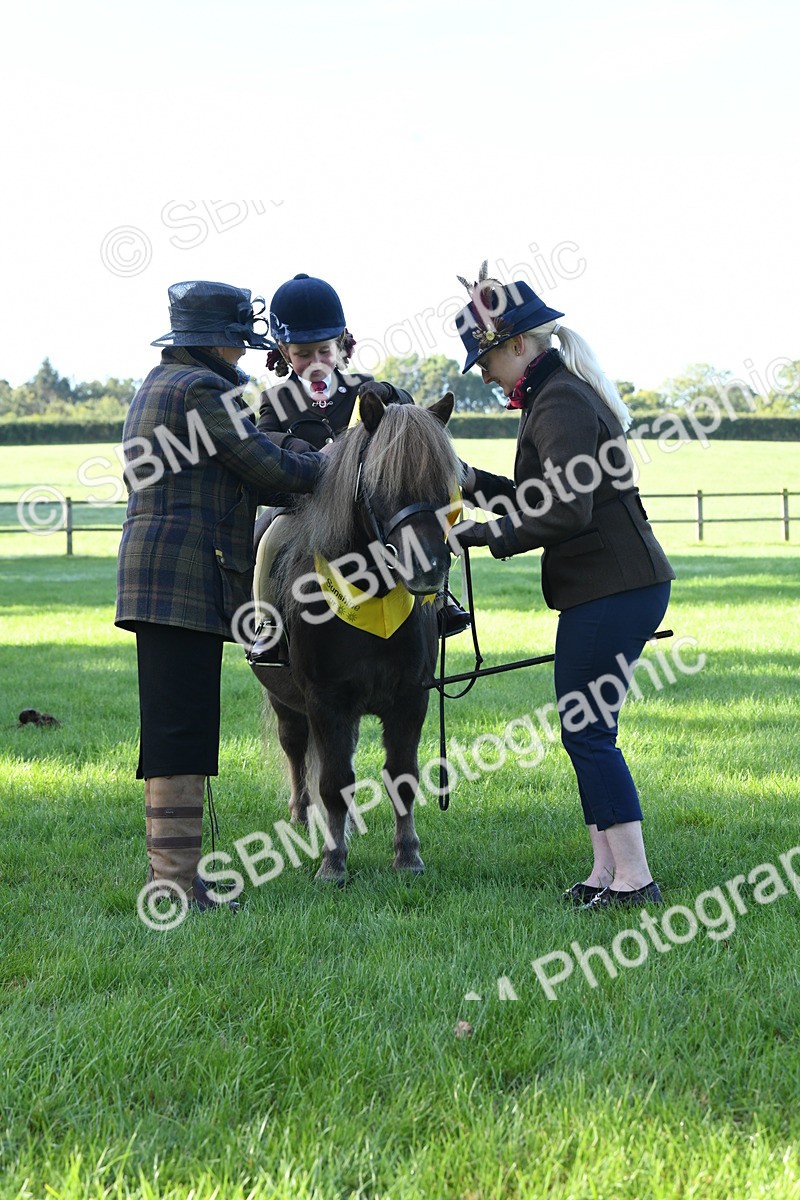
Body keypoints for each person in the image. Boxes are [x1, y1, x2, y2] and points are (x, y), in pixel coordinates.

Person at [449, 266, 675, 909]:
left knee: (588, 732)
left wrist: (485, 535)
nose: (484, 374)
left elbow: (565, 512)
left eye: (485, 359)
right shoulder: (555, 395)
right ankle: (606, 872)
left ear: (518, 344)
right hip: (613, 586)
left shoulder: (560, 401)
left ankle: (634, 879)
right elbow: (540, 495)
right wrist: (468, 479)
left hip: (612, 588)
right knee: (586, 728)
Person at [115, 280, 324, 911]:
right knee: (181, 727)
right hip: (182, 576)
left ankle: (176, 876)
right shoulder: (202, 390)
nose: (242, 352)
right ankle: (176, 883)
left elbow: (237, 473)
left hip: (161, 575)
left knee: (178, 724)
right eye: (238, 341)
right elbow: (264, 466)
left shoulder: (164, 382)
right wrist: (336, 465)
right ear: (217, 341)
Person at [254, 271, 470, 639]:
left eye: (324, 351)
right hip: (304, 503)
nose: (316, 361)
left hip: (363, 501)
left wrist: (387, 390)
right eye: (303, 354)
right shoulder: (276, 399)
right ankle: (267, 624)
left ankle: (439, 599)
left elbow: (407, 408)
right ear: (284, 352)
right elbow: (264, 437)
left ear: (341, 344)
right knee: (271, 540)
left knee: (419, 524)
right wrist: (303, 450)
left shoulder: (361, 386)